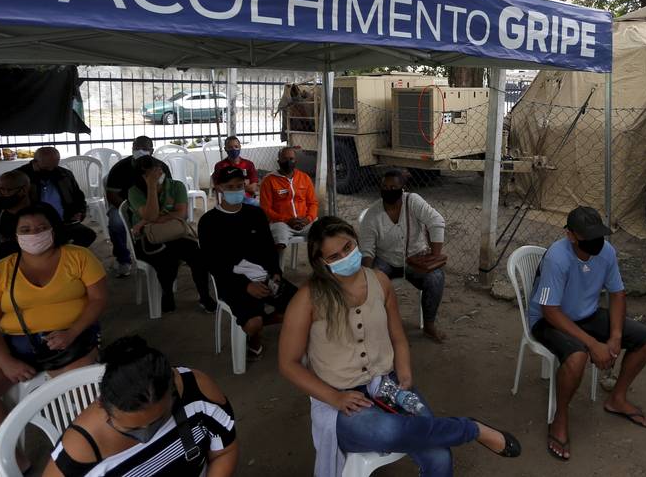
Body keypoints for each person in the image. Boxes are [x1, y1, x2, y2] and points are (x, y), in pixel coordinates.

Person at [278, 217, 520, 477]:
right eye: (334, 256)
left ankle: (463, 430)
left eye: (348, 248)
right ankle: (472, 429)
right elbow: (288, 363)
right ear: (322, 263)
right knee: (392, 431)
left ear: (356, 240)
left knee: (439, 455)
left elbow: (398, 336)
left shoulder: (380, 281)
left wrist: (404, 373)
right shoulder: (307, 299)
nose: (345, 257)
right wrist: (335, 397)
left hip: (387, 384)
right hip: (337, 398)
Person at [0, 205, 107, 473]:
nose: (34, 234)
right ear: (15, 236)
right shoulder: (0, 272)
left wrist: (72, 332)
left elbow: (98, 300)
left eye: (41, 228)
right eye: (25, 230)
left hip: (71, 337)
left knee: (80, 391)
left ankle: (85, 457)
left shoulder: (79, 257)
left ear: (54, 229)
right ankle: (16, 463)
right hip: (13, 343)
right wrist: (5, 362)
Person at [529, 206, 646, 461]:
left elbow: (617, 293)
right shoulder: (558, 257)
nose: (596, 241)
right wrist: (592, 344)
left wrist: (616, 336)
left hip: (587, 314)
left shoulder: (606, 252)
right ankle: (560, 417)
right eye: (588, 236)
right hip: (549, 320)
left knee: (645, 339)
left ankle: (617, 399)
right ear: (570, 235)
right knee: (577, 357)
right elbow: (550, 311)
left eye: (598, 234)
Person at [45, 335, 238, 477]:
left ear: (173, 391)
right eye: (131, 429)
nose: (146, 435)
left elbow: (224, 452)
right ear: (101, 404)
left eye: (159, 420)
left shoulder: (197, 391)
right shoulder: (80, 450)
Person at [199, 165, 298, 360]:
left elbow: (269, 249)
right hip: (232, 282)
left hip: (266, 277)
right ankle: (254, 336)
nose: (235, 190)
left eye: (239, 186)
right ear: (218, 188)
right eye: (229, 186)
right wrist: (246, 286)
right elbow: (213, 264)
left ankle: (262, 319)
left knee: (304, 307)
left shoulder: (255, 214)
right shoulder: (209, 222)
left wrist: (276, 273)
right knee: (253, 322)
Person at [358, 170, 448, 343]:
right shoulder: (372, 215)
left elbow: (436, 221)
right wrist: (366, 276)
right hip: (386, 261)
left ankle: (429, 325)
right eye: (384, 187)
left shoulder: (412, 201)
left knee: (436, 277)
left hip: (416, 259)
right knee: (372, 281)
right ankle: (377, 326)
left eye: (394, 187)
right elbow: (367, 250)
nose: (388, 190)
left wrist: (434, 258)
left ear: (402, 188)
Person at [127, 154, 214, 314]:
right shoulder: (135, 191)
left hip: (174, 233)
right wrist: (152, 188)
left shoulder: (176, 186)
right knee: (167, 258)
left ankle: (204, 296)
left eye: (158, 170)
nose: (156, 175)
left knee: (198, 254)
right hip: (147, 240)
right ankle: (167, 293)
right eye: (150, 174)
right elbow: (152, 215)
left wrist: (145, 221)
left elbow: (181, 214)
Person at [104, 137, 167, 278]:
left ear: (152, 150)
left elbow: (167, 192)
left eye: (144, 149)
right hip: (125, 206)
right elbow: (112, 194)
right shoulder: (120, 168)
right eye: (137, 148)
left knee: (170, 220)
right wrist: (129, 210)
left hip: (154, 206)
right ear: (132, 149)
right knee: (115, 221)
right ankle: (123, 260)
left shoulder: (160, 167)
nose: (140, 151)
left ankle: (166, 253)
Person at [17, 146, 97, 248]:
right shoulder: (20, 177)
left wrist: (80, 212)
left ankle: (64, 257)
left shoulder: (64, 175)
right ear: (35, 162)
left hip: (64, 222)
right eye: (46, 167)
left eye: (54, 165)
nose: (51, 169)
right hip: (34, 225)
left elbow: (79, 197)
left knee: (88, 235)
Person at [260, 147, 318, 254]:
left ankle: (317, 268)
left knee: (322, 235)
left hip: (305, 221)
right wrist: (286, 220)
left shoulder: (304, 178)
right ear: (278, 161)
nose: (288, 162)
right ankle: (275, 268)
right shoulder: (268, 180)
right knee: (279, 241)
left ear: (296, 161)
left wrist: (308, 219)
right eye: (285, 159)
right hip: (281, 223)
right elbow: (265, 208)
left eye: (291, 159)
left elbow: (313, 203)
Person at [213, 136, 259, 205]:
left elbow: (253, 188)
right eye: (230, 147)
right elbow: (218, 187)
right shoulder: (220, 166)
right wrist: (243, 185)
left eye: (236, 146)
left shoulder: (249, 164)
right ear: (225, 149)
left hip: (247, 200)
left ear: (240, 147)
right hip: (229, 200)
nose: (234, 149)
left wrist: (230, 187)